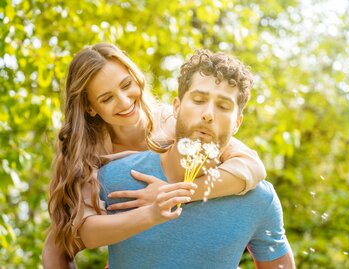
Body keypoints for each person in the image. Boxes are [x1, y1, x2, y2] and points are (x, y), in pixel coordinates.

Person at [42, 43, 266, 268]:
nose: (124, 101)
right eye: (107, 98)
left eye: (126, 85)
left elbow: (252, 166)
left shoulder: (174, 121)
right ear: (90, 108)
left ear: (136, 77)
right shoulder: (86, 155)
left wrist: (178, 194)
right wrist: (152, 212)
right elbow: (76, 237)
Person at [97, 49, 296, 268]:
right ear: (176, 107)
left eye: (223, 106)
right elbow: (66, 244)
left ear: (237, 123)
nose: (208, 114)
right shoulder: (113, 178)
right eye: (199, 100)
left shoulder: (259, 200)